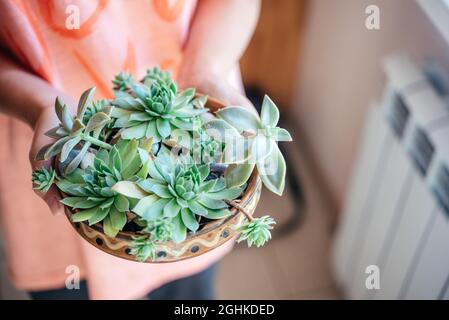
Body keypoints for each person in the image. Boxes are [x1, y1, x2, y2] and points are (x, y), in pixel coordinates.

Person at [0, 0, 260, 300]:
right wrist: (41, 105)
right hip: (48, 134)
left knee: (187, 287)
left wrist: (205, 71)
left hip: (196, 104)